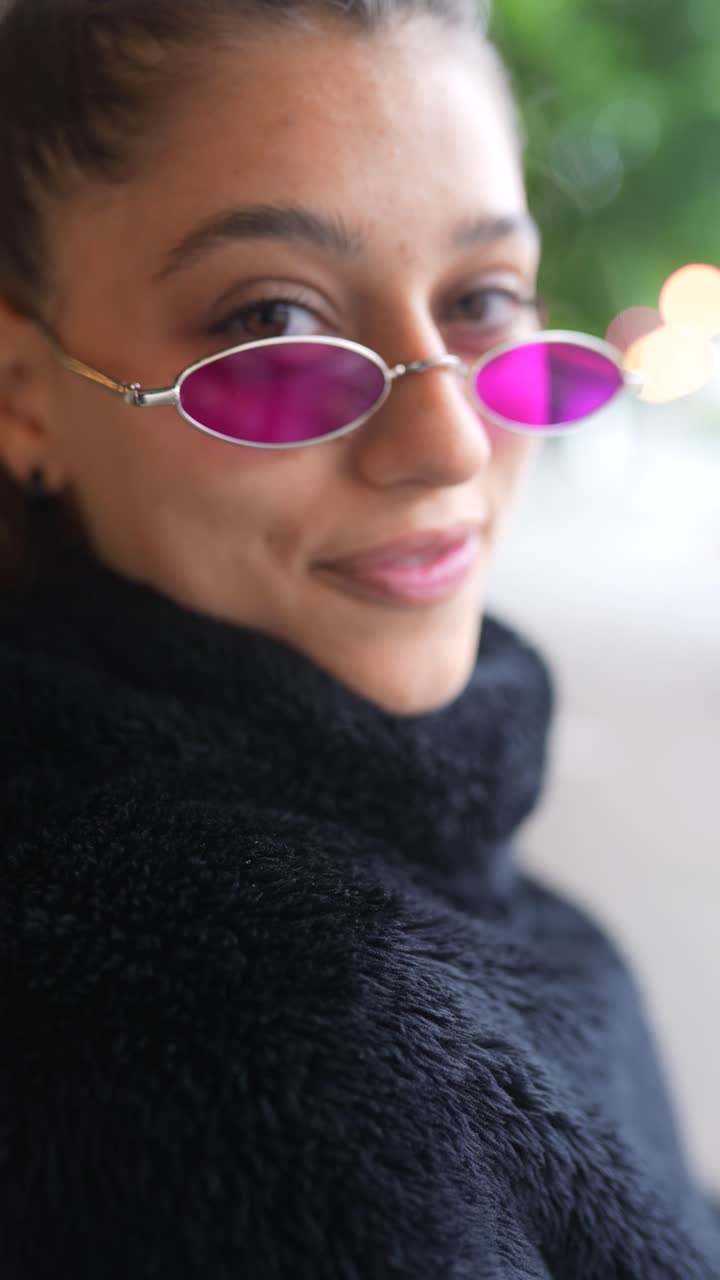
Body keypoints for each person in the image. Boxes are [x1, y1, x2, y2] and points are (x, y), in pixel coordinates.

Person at [0, 0, 718, 1275]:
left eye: (483, 297)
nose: (446, 441)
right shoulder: (267, 1041)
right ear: (22, 395)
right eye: (275, 322)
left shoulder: (415, 877)